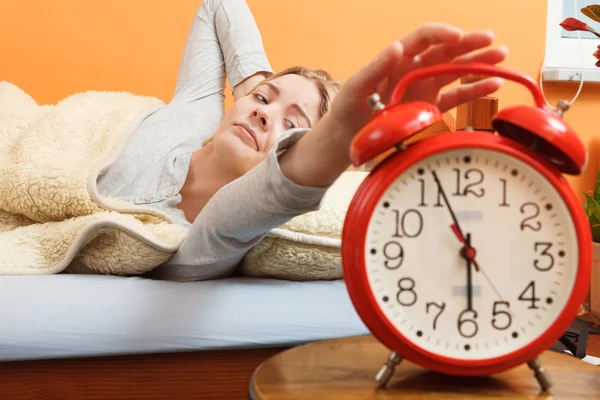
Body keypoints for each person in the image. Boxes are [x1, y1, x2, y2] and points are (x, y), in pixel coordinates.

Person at [98, 0, 508, 281]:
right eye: (262, 101)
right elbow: (220, 4)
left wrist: (339, 131)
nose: (263, 112)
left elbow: (282, 188)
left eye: (290, 123)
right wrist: (256, 90)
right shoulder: (196, 111)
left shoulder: (207, 234)